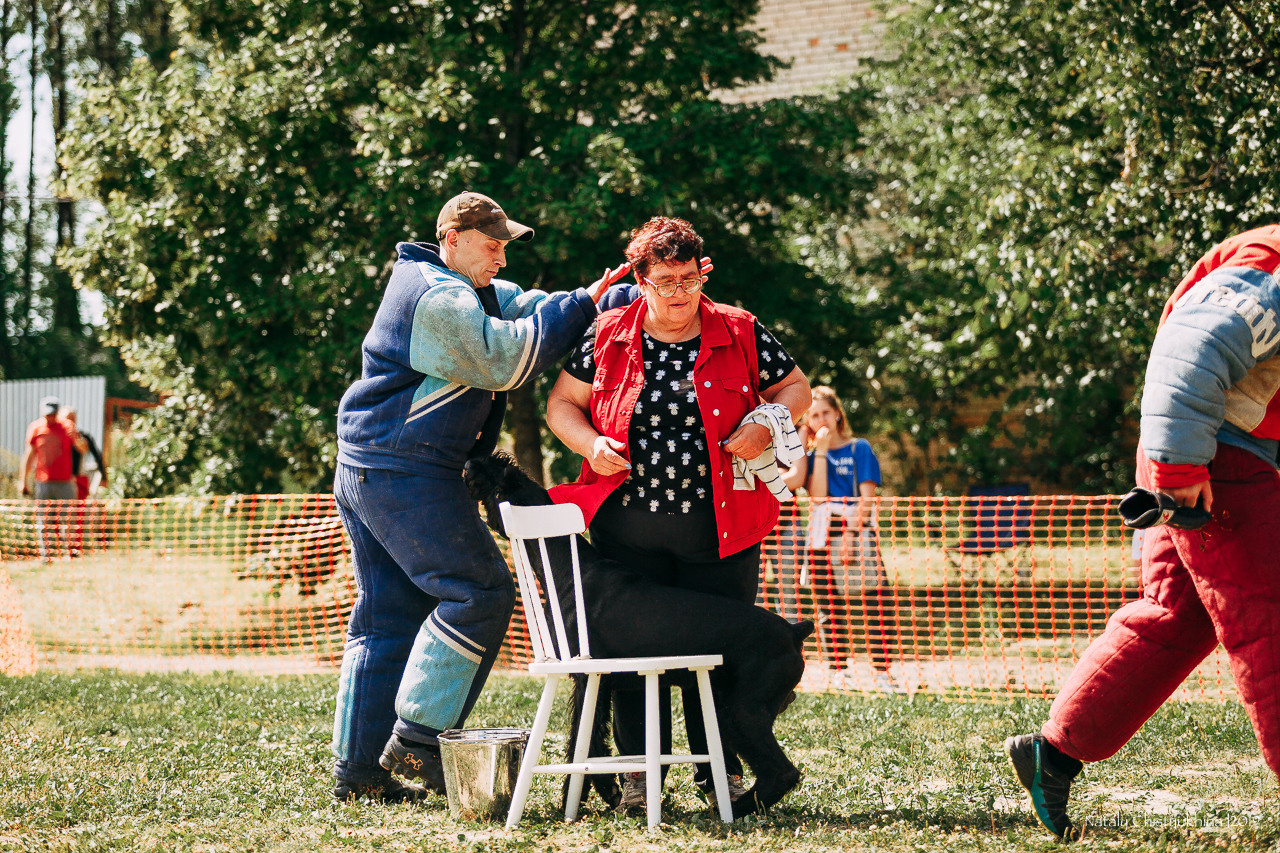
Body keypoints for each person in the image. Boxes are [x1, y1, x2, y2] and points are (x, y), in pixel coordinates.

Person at [330, 191, 631, 803]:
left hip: (373, 466)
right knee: (480, 590)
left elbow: (535, 308)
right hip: (403, 470)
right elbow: (504, 359)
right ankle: (417, 743)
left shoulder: (466, 286)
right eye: (491, 245)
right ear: (453, 239)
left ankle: (359, 772)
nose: (500, 256)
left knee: (386, 619)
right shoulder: (435, 296)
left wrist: (604, 299)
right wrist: (579, 307)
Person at [1005, 225, 1280, 839]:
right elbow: (1192, 351)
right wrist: (1179, 468)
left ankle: (1057, 750)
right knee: (1271, 621)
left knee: (1174, 616)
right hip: (1214, 462)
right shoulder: (1274, 264)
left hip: (1200, 455)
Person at [545, 216, 812, 811]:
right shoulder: (607, 332)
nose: (677, 294)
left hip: (723, 536)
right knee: (632, 663)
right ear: (639, 280)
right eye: (663, 281)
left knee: (721, 658)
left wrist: (770, 421)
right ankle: (643, 778)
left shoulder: (740, 329)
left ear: (702, 273)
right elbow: (562, 403)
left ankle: (725, 771)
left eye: (688, 279)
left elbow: (797, 387)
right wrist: (591, 444)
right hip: (625, 536)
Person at [781, 387, 899, 693]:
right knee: (828, 605)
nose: (821, 420)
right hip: (821, 535)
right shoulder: (809, 456)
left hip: (857, 532)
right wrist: (818, 451)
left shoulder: (859, 448)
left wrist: (850, 534)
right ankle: (838, 669)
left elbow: (867, 498)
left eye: (824, 413)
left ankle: (883, 671)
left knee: (875, 602)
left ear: (837, 414)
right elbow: (818, 497)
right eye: (813, 415)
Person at [19, 397, 81, 561]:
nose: (50, 418)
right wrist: (23, 480)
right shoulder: (36, 428)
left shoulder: (67, 427)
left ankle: (69, 553)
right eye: (47, 414)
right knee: (43, 521)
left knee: (67, 519)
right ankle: (46, 556)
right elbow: (29, 455)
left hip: (65, 481)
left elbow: (82, 448)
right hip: (43, 482)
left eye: (53, 414)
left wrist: (77, 438)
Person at [61, 408, 109, 556]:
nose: (70, 421)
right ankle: (61, 546)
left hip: (78, 478)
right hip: (60, 480)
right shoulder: (56, 437)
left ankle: (76, 546)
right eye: (66, 418)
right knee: (59, 515)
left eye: (72, 418)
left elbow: (96, 454)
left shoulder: (83, 437)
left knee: (78, 514)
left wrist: (104, 476)